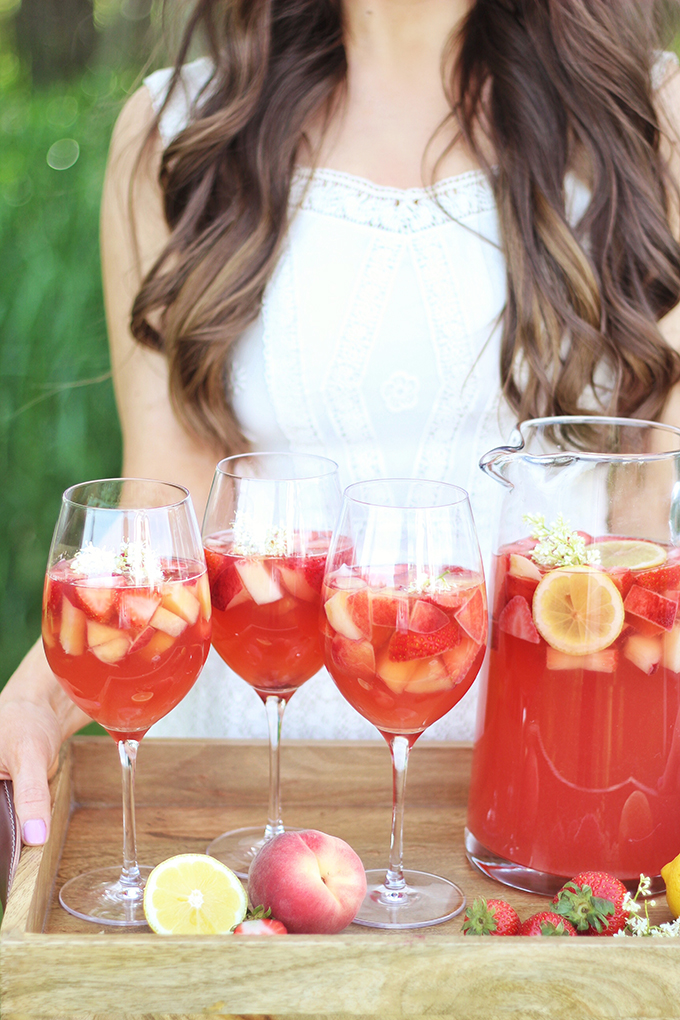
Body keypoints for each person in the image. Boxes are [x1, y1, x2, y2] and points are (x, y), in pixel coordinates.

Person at [3, 0, 680, 848]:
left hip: (562, 775)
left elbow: (649, 516)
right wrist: (38, 693)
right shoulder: (180, 130)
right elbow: (168, 500)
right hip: (249, 786)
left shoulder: (648, 116)